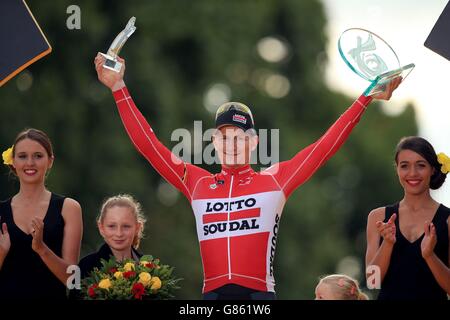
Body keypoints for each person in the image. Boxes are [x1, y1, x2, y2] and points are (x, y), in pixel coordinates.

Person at [94, 53, 401, 300]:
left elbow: (324, 147)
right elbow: (149, 146)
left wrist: (364, 99)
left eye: (240, 137)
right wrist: (118, 87)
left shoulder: (275, 179)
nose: (231, 145)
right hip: (211, 295)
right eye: (224, 138)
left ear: (254, 143)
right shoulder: (196, 181)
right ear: (214, 143)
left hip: (259, 296)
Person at [0, 128, 83, 299]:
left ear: (50, 161)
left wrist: (41, 249)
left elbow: (73, 280)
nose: (30, 162)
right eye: (22, 156)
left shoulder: (69, 208)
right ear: (13, 161)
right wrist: (1, 251)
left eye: (38, 156)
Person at [366, 136, 450, 299]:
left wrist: (429, 255)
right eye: (405, 166)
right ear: (397, 169)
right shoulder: (377, 217)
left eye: (421, 165)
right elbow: (372, 282)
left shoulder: (447, 220)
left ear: (432, 169)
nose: (413, 173)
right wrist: (388, 243)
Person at [78, 194, 146, 279]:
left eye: (126, 226)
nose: (119, 233)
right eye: (111, 226)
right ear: (101, 227)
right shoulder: (86, 267)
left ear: (137, 227)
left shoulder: (150, 268)